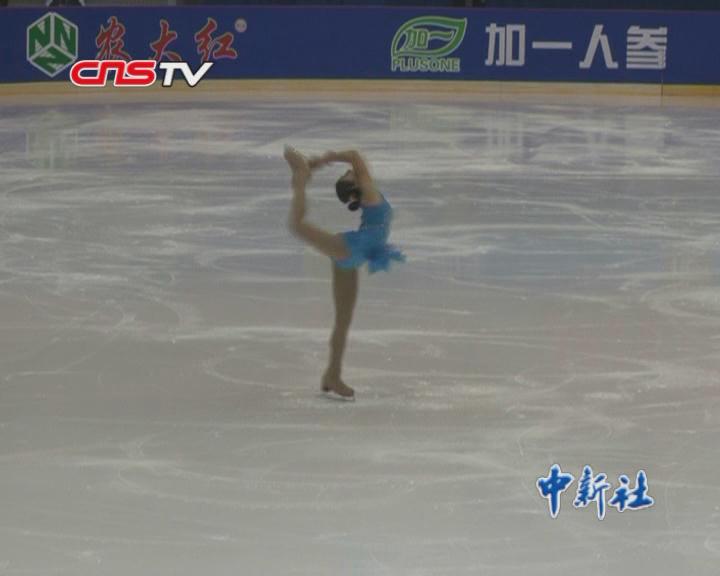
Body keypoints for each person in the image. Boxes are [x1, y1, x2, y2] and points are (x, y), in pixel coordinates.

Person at [284, 146, 404, 399]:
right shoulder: (368, 190)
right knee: (297, 225)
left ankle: (333, 374)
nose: (351, 171)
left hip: (354, 255)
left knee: (343, 320)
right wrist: (321, 160)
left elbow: (354, 160)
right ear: (354, 187)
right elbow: (353, 155)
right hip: (352, 248)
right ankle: (300, 176)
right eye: (348, 174)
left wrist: (321, 163)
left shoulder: (369, 195)